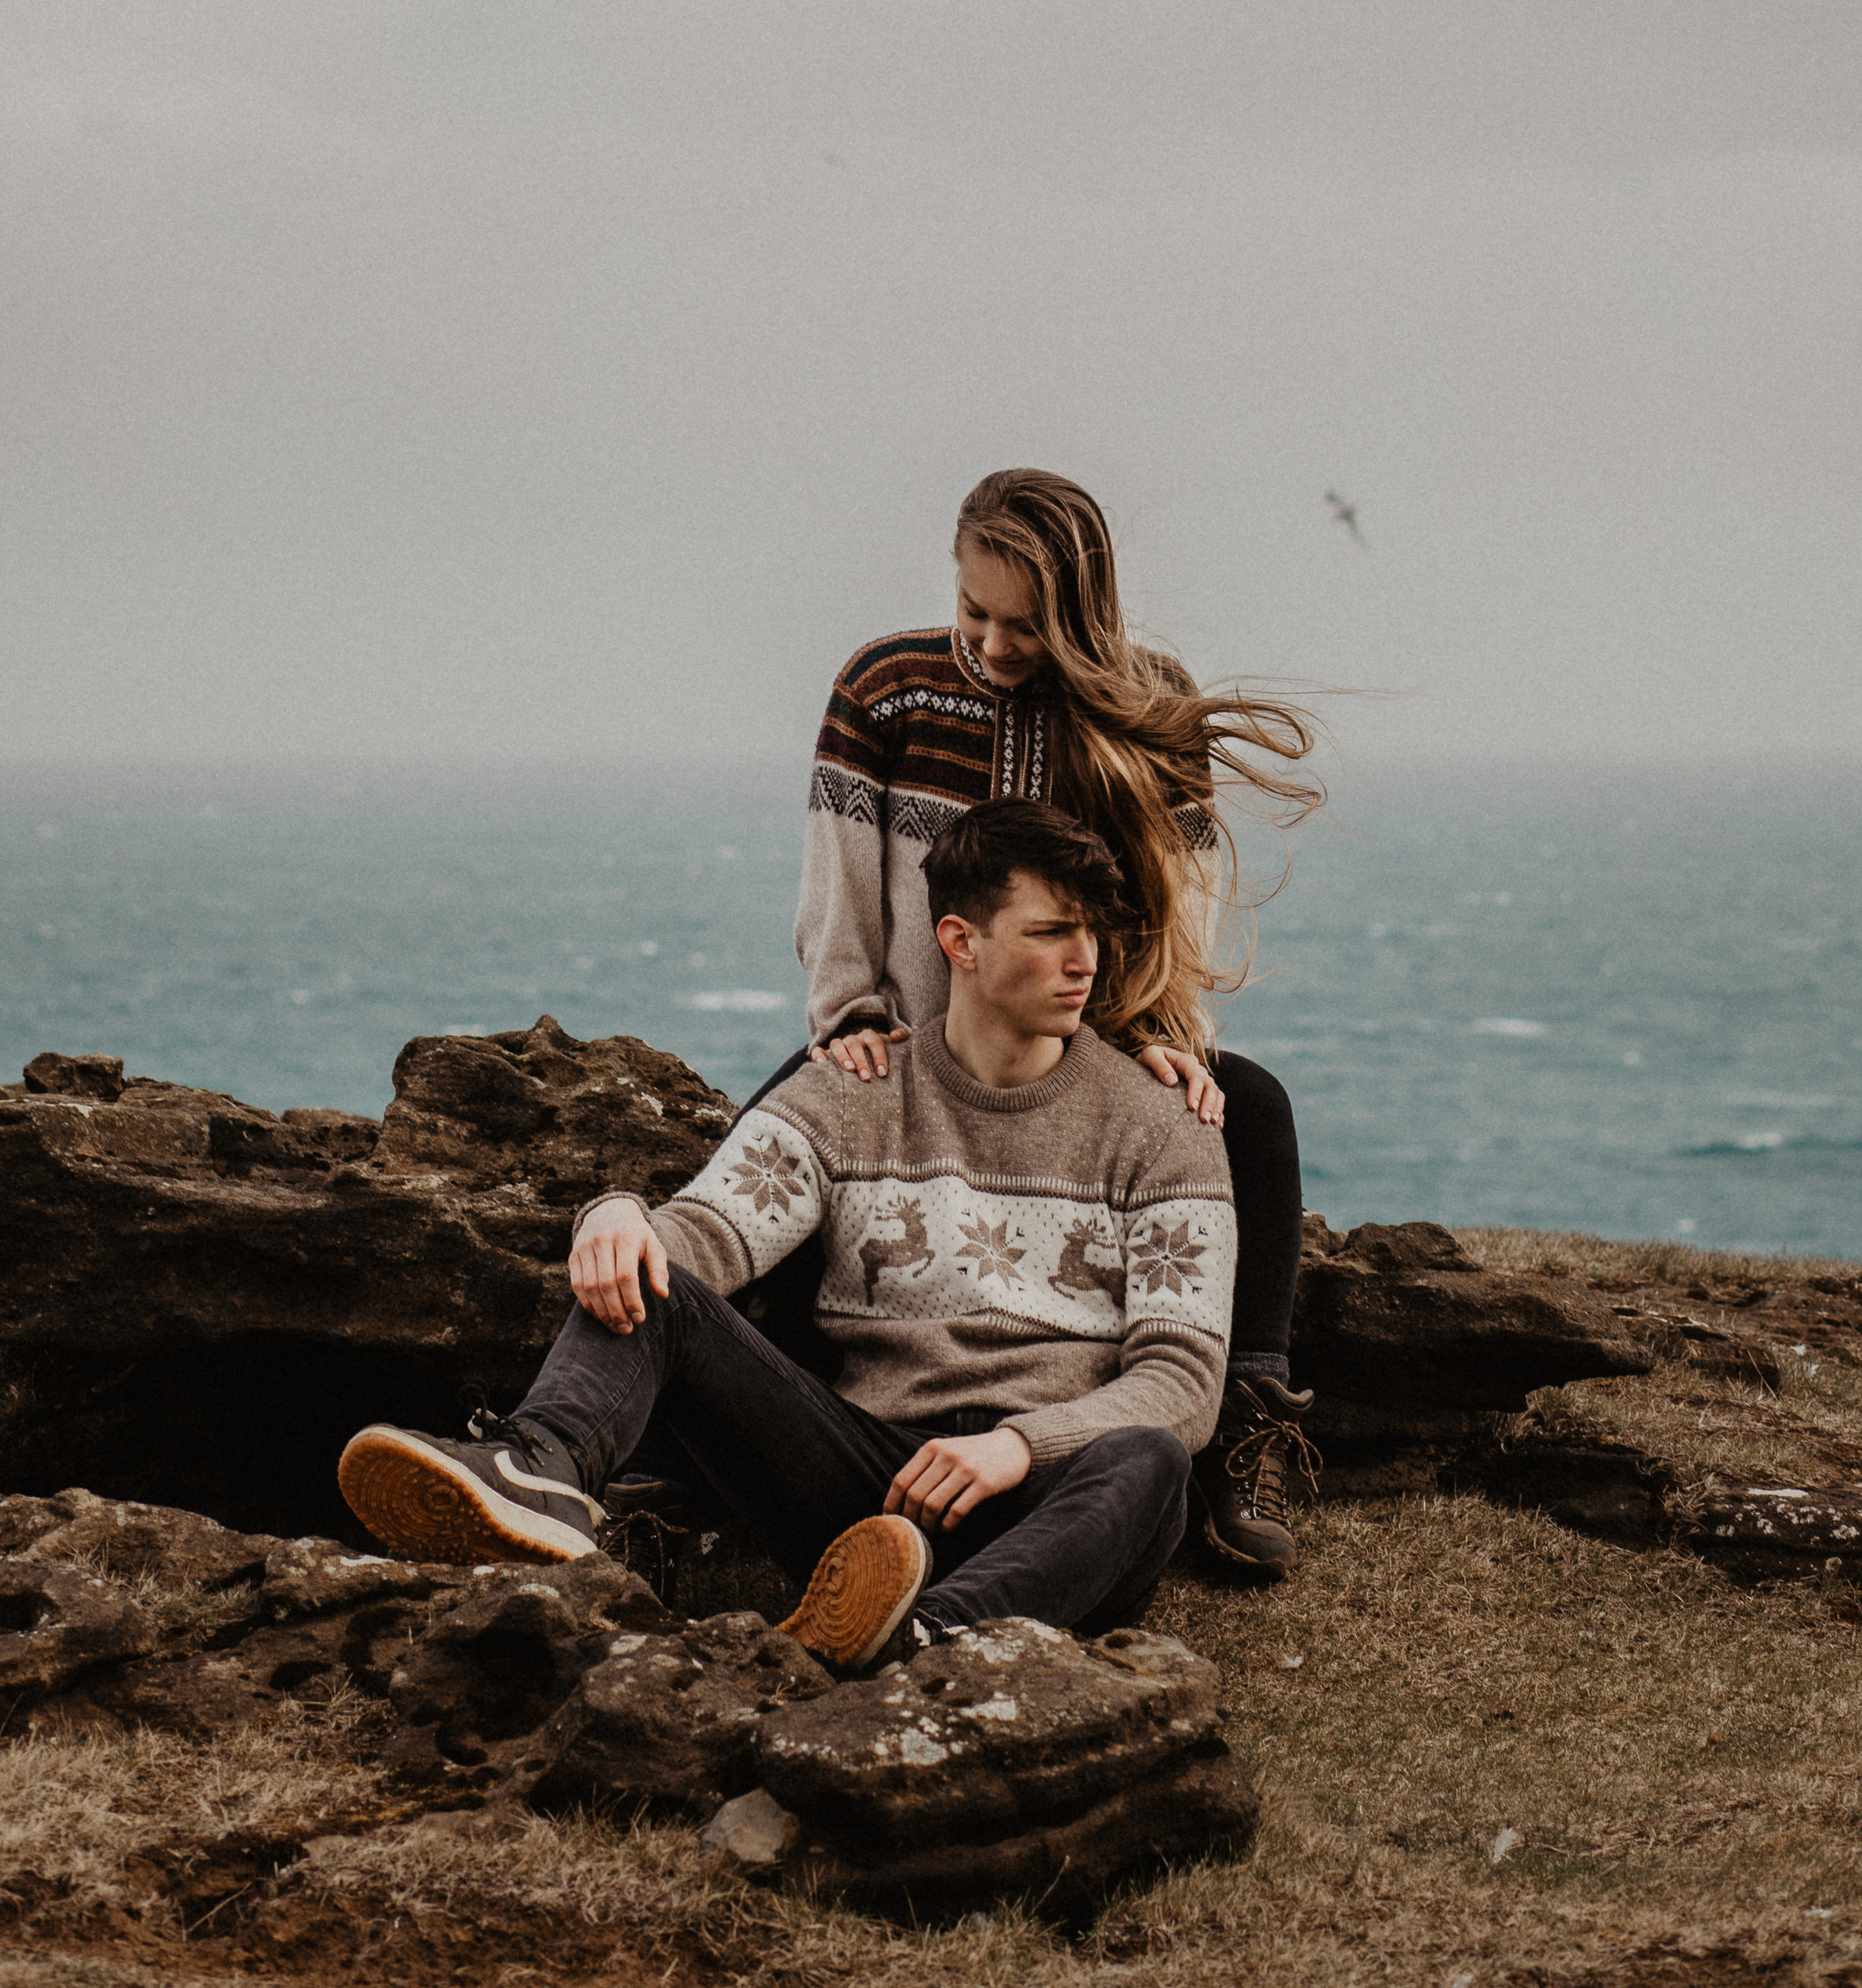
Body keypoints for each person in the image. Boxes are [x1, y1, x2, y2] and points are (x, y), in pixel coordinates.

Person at [337, 802, 1234, 1675]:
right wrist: (619, 1216)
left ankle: (921, 1635)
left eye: (1092, 934)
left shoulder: (1161, 1128)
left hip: (1059, 1497)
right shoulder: (854, 1090)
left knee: (1148, 1456)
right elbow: (714, 1231)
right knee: (649, 1273)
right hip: (875, 1487)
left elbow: (1184, 1381)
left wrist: (1020, 1445)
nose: (1085, 962)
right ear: (960, 942)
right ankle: (539, 1474)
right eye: (1051, 933)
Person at [789, 467, 1319, 1576]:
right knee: (781, 1126)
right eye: (973, 609)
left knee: (1250, 1111)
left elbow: (1181, 890)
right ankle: (700, 1443)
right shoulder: (887, 688)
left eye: (1023, 624)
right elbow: (840, 880)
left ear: (1082, 613)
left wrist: (1159, 1032)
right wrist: (850, 1016)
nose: (991, 641)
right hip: (909, 1051)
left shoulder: (1147, 697)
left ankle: (1243, 1424)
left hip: (1086, 1050)